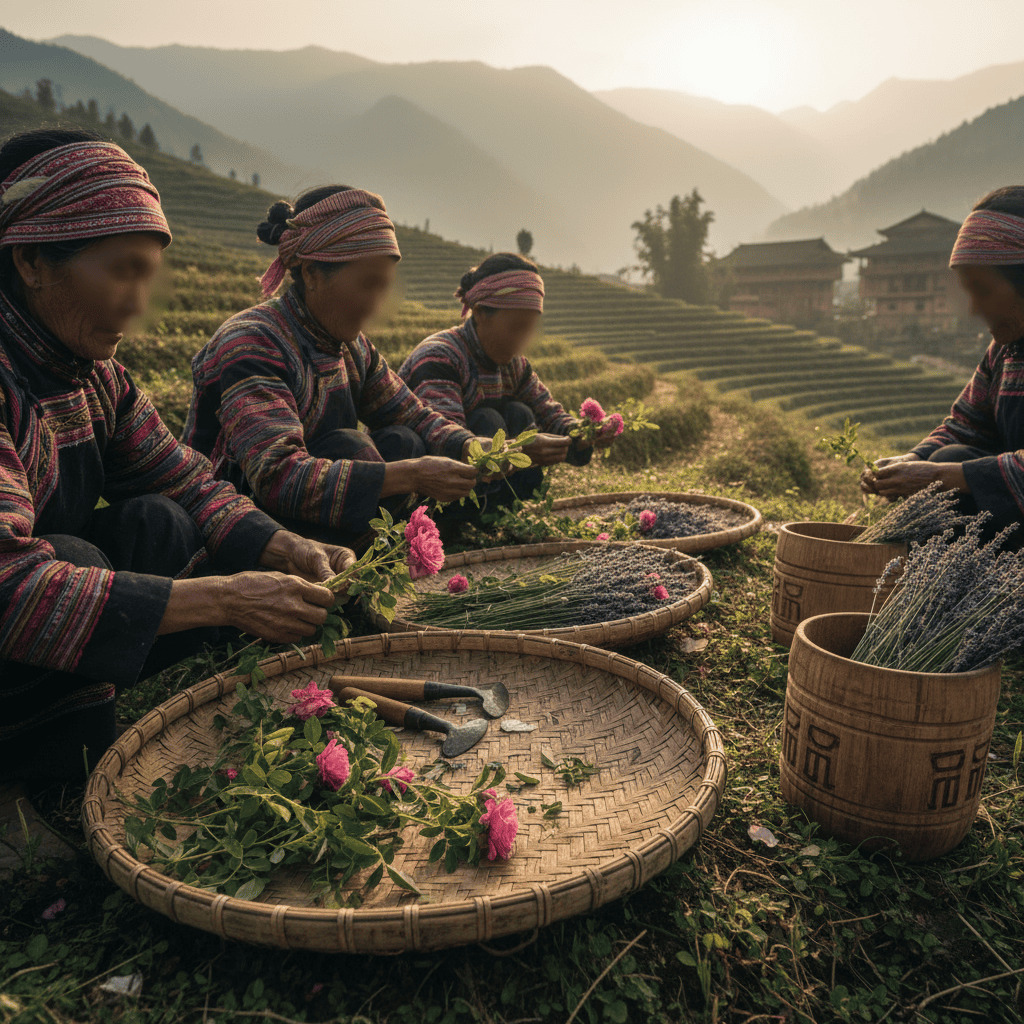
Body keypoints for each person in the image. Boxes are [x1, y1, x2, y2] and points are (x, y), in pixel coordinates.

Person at [0, 129, 356, 787]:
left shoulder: (93, 374)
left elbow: (190, 480)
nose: (138, 305)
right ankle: (43, 780)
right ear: (31, 262)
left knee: (162, 522)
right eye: (122, 272)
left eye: (149, 276)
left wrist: (282, 547)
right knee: (72, 560)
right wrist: (224, 599)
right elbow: (8, 587)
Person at [183, 186, 482, 548]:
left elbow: (410, 414)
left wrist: (471, 447)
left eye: (382, 287)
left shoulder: (353, 347)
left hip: (308, 517)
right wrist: (412, 475)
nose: (375, 305)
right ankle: (328, 579)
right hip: (240, 524)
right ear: (311, 273)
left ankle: (353, 569)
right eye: (366, 285)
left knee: (404, 440)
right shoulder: (253, 343)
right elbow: (278, 477)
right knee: (352, 446)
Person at [861, 187, 1024, 540]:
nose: (973, 309)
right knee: (948, 455)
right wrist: (911, 460)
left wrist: (940, 476)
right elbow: (966, 425)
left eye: (982, 291)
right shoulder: (1005, 350)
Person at [398, 253, 603, 513]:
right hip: (430, 491)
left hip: (481, 477)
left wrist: (581, 434)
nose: (522, 340)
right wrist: (522, 450)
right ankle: (467, 522)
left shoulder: (513, 365)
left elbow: (547, 411)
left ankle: (505, 515)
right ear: (481, 312)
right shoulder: (441, 357)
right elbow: (446, 444)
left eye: (529, 329)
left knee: (521, 414)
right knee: (489, 422)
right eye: (516, 327)